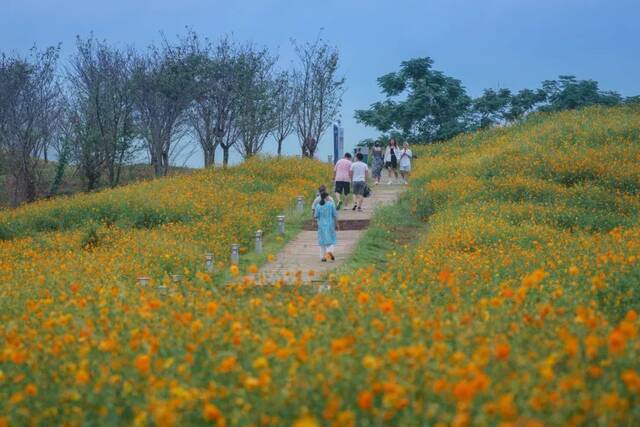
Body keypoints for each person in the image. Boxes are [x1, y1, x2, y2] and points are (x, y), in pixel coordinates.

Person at [314, 191, 337, 262]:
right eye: (328, 196)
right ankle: (329, 252)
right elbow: (335, 215)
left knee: (322, 241)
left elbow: (316, 216)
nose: (329, 197)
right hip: (330, 225)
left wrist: (315, 223)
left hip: (321, 225)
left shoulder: (318, 206)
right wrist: (337, 224)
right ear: (326, 197)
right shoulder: (331, 204)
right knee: (332, 240)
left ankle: (322, 257)